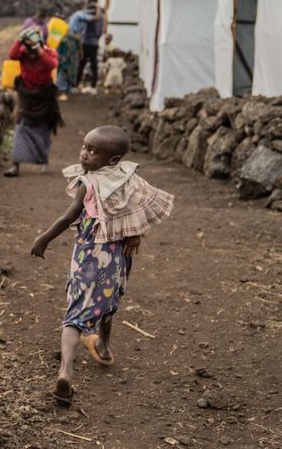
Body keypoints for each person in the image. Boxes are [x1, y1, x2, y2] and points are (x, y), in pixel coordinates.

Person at [30, 125, 174, 407]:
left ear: (112, 159)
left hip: (88, 256)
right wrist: (136, 232)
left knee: (75, 315)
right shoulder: (128, 177)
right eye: (84, 146)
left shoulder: (89, 183)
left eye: (93, 151)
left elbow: (68, 216)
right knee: (109, 301)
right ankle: (104, 347)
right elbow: (141, 206)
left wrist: (43, 238)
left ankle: (66, 371)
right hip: (118, 257)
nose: (84, 154)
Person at [4, 28, 62, 177]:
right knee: (20, 126)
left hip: (44, 96)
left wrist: (39, 50)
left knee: (43, 128)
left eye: (32, 45)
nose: (30, 50)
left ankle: (44, 162)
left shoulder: (49, 52)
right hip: (26, 94)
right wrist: (19, 40)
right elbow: (12, 55)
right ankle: (15, 165)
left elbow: (51, 65)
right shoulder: (23, 53)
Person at [76, 0, 105, 94]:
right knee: (94, 65)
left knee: (81, 64)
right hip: (95, 43)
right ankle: (93, 84)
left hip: (86, 42)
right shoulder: (102, 16)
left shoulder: (90, 15)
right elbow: (100, 31)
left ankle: (76, 84)